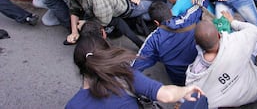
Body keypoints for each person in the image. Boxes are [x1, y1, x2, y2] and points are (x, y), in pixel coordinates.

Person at [66, 35, 205, 108]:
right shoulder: (125, 75)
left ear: (79, 66)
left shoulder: (73, 105)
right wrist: (185, 91)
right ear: (107, 54)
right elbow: (166, 95)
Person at [185, 11, 257, 108]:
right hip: (255, 89)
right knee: (254, 49)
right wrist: (233, 22)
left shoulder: (196, 72)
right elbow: (254, 30)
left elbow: (192, 96)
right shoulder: (234, 41)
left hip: (232, 101)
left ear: (197, 44)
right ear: (218, 34)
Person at [133, 1, 204, 86]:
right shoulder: (189, 18)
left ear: (156, 22)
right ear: (170, 11)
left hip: (180, 80)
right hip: (200, 70)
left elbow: (136, 66)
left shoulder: (153, 40)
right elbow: (202, 2)